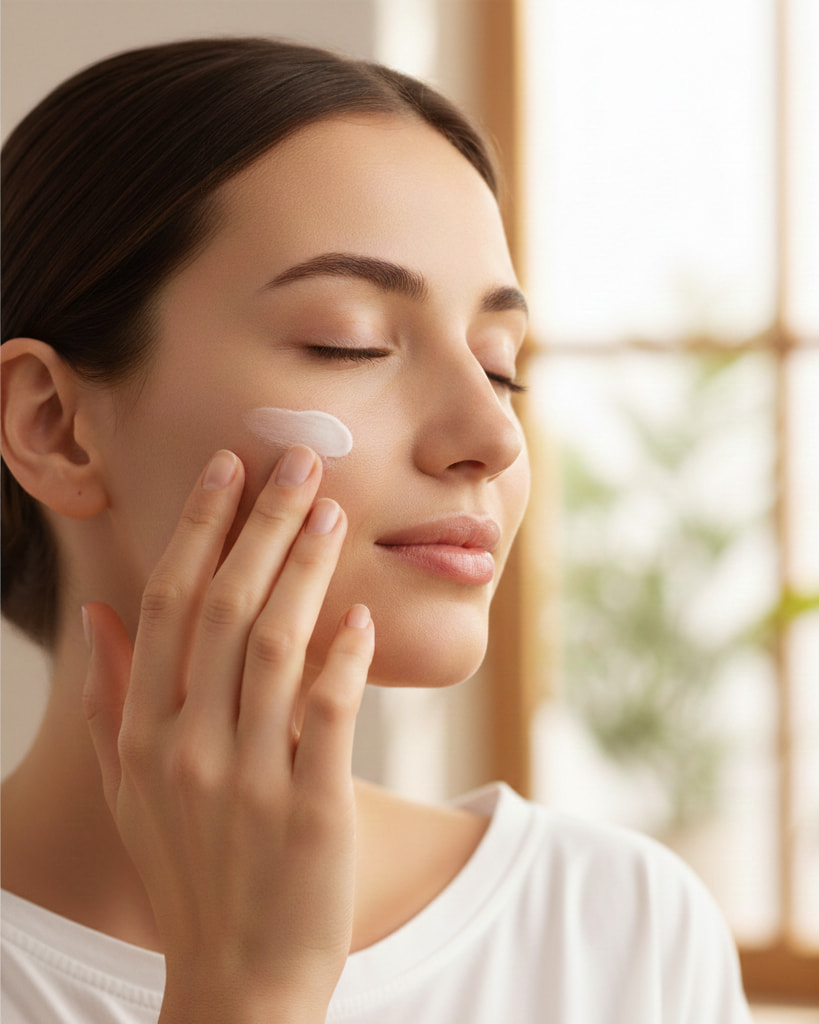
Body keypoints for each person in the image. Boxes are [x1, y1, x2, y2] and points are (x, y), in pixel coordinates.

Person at [0, 37, 753, 1023]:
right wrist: (246, 994)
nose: (492, 435)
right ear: (52, 425)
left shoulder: (618, 929)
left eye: (500, 365)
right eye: (346, 342)